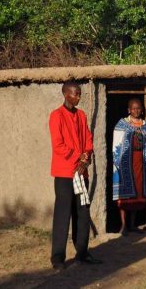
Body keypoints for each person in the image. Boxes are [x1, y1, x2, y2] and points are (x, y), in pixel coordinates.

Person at [49, 81, 101, 270]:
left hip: (81, 173)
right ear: (65, 94)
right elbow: (58, 145)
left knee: (82, 212)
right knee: (63, 214)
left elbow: (88, 140)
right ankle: (58, 258)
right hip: (64, 174)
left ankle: (82, 252)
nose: (78, 97)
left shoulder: (81, 116)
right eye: (75, 94)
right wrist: (77, 159)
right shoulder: (56, 116)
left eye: (79, 94)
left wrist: (85, 159)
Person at [111, 98, 146, 235]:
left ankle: (132, 224)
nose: (136, 110)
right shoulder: (122, 125)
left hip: (140, 165)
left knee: (138, 195)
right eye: (133, 108)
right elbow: (117, 144)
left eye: (138, 108)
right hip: (125, 165)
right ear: (129, 110)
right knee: (124, 196)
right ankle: (123, 225)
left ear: (142, 110)